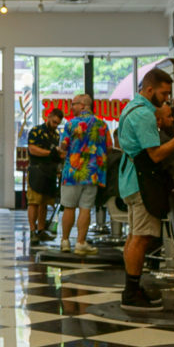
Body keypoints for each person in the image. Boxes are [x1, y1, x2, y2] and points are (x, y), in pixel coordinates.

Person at [118, 69, 174, 310]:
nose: (166, 98)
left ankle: (133, 286)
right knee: (140, 238)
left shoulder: (131, 107)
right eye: (163, 93)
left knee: (134, 236)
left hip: (129, 179)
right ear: (149, 90)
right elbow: (155, 155)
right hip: (141, 182)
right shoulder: (143, 115)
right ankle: (131, 292)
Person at [57, 94, 108, 256]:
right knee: (85, 208)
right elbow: (110, 146)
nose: (72, 107)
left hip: (72, 173)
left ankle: (65, 241)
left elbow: (64, 146)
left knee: (69, 207)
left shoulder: (71, 124)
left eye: (74, 104)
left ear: (84, 106)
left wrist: (63, 150)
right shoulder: (102, 124)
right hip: (92, 174)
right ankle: (80, 243)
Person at [26, 108, 64, 244]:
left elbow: (56, 154)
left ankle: (41, 231)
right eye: (54, 122)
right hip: (37, 170)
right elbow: (32, 149)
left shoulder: (56, 135)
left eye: (57, 123)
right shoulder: (36, 131)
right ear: (48, 117)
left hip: (50, 171)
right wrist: (50, 153)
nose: (55, 125)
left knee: (45, 202)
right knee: (34, 201)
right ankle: (32, 231)